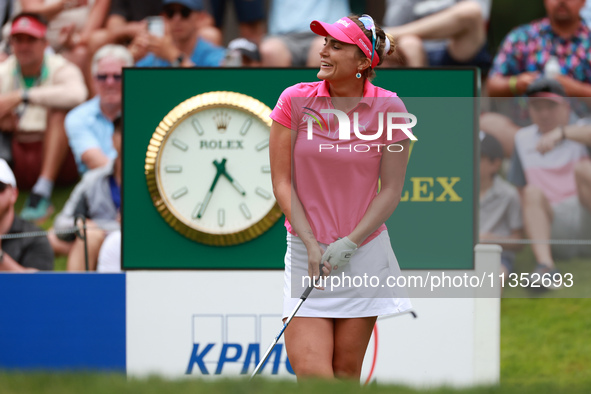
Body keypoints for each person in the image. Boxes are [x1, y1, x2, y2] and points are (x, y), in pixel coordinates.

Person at [269, 14, 412, 379]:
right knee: (315, 376)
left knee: (345, 376)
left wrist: (350, 241)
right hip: (306, 252)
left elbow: (391, 190)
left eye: (336, 45)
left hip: (361, 253)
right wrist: (310, 242)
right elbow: (282, 183)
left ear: (363, 62)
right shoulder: (294, 100)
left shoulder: (391, 108)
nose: (323, 50)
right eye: (325, 43)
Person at [0, 13, 87, 222]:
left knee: (60, 113)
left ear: (45, 43)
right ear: (11, 43)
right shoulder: (5, 69)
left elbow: (77, 95)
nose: (24, 46)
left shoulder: (61, 67)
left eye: (31, 39)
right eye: (18, 40)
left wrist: (22, 96)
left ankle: (42, 192)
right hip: (16, 154)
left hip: (57, 158)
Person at [507, 78, 591, 285]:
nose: (544, 114)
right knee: (531, 192)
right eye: (537, 107)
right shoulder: (522, 138)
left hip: (584, 214)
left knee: (583, 169)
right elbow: (520, 190)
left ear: (565, 105)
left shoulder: (581, 128)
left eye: (551, 106)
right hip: (553, 224)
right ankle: (546, 267)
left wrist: (562, 133)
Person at [483, 0, 591, 157]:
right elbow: (492, 87)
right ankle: (533, 159)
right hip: (526, 134)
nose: (561, 1)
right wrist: (517, 83)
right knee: (487, 123)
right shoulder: (522, 37)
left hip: (580, 137)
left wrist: (574, 89)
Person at [51, 116, 121, 271]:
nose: (125, 137)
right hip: (94, 242)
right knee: (84, 237)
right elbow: (61, 224)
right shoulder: (93, 179)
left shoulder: (152, 181)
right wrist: (84, 226)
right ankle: (76, 294)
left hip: (133, 244)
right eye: (120, 131)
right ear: (112, 138)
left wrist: (103, 228)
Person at [65, 44, 132, 175]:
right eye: (103, 77)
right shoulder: (77, 117)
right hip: (99, 188)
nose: (110, 83)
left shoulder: (143, 114)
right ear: (94, 80)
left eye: (117, 76)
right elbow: (95, 162)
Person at [383, 0, 491, 68]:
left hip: (456, 48)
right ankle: (419, 99)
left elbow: (479, 16)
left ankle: (386, 33)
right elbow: (395, 21)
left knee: (471, 11)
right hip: (413, 49)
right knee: (410, 43)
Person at [478, 132, 523, 277]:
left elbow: (519, 241)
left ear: (495, 164)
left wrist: (489, 240)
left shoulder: (509, 194)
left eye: (478, 157)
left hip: (498, 257)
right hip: (460, 255)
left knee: (496, 278)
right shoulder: (454, 190)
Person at [132, 0, 225, 67]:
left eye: (185, 12)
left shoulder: (215, 55)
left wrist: (174, 57)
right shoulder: (158, 55)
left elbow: (210, 88)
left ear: (200, 18)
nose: (177, 19)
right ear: (164, 17)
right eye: (170, 13)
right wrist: (131, 57)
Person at [260, 0, 350, 67]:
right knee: (271, 50)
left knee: (324, 48)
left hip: (326, 32)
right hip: (283, 35)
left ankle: (319, 92)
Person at [0, 158, 53, 272]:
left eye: (0, 187)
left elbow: (39, 286)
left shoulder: (35, 237)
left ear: (13, 194)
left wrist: (0, 257)